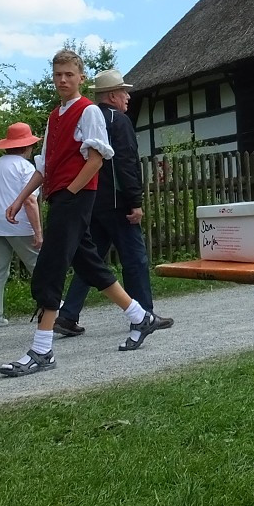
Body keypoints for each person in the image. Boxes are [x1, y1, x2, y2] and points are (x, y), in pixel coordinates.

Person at [0, 50, 173, 377]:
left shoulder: (88, 111)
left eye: (69, 74)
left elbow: (97, 159)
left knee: (49, 268)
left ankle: (42, 349)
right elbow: (45, 166)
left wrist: (71, 193)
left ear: (81, 78)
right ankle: (140, 317)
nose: (63, 80)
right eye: (57, 75)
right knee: (89, 263)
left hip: (73, 197)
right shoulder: (55, 117)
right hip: (61, 195)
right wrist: (21, 199)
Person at [54, 69, 169, 337]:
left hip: (91, 202)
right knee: (135, 260)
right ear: (114, 95)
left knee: (91, 262)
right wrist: (135, 201)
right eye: (125, 92)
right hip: (118, 203)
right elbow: (126, 163)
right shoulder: (119, 120)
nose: (128, 97)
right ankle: (145, 315)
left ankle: (68, 315)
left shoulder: (86, 117)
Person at [0, 123, 43, 328]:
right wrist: (38, 232)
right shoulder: (25, 167)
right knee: (39, 267)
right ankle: (51, 308)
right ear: (26, 146)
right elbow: (30, 201)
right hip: (18, 225)